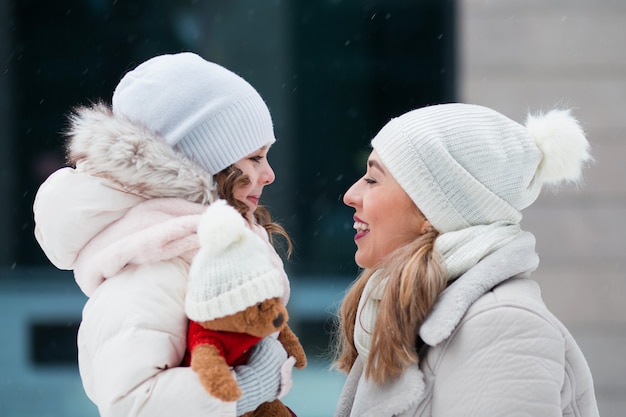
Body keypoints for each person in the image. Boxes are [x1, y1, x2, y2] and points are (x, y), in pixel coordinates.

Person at [33, 52, 297, 417]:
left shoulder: (195, 253)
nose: (269, 175)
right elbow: (133, 403)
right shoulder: (155, 265)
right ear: (208, 162)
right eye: (254, 158)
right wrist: (250, 384)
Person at [333, 103, 600, 416]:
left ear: (433, 208)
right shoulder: (404, 308)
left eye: (373, 180)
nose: (351, 194)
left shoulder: (503, 326)